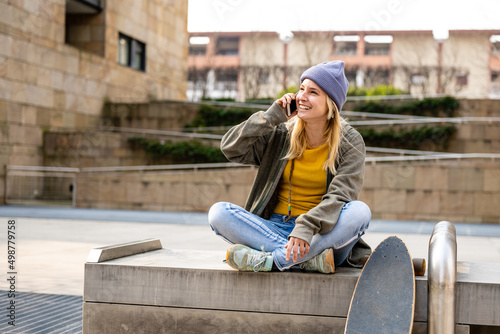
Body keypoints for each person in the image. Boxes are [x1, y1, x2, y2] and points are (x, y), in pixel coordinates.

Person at [208, 61, 371, 274]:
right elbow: (231, 147)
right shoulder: (281, 134)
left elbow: (341, 196)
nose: (302, 96)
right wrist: (270, 118)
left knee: (360, 211)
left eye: (313, 92)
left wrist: (306, 226)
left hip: (321, 234)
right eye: (301, 88)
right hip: (273, 227)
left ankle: (272, 261)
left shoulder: (350, 142)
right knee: (218, 213)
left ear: (331, 104)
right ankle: (308, 261)